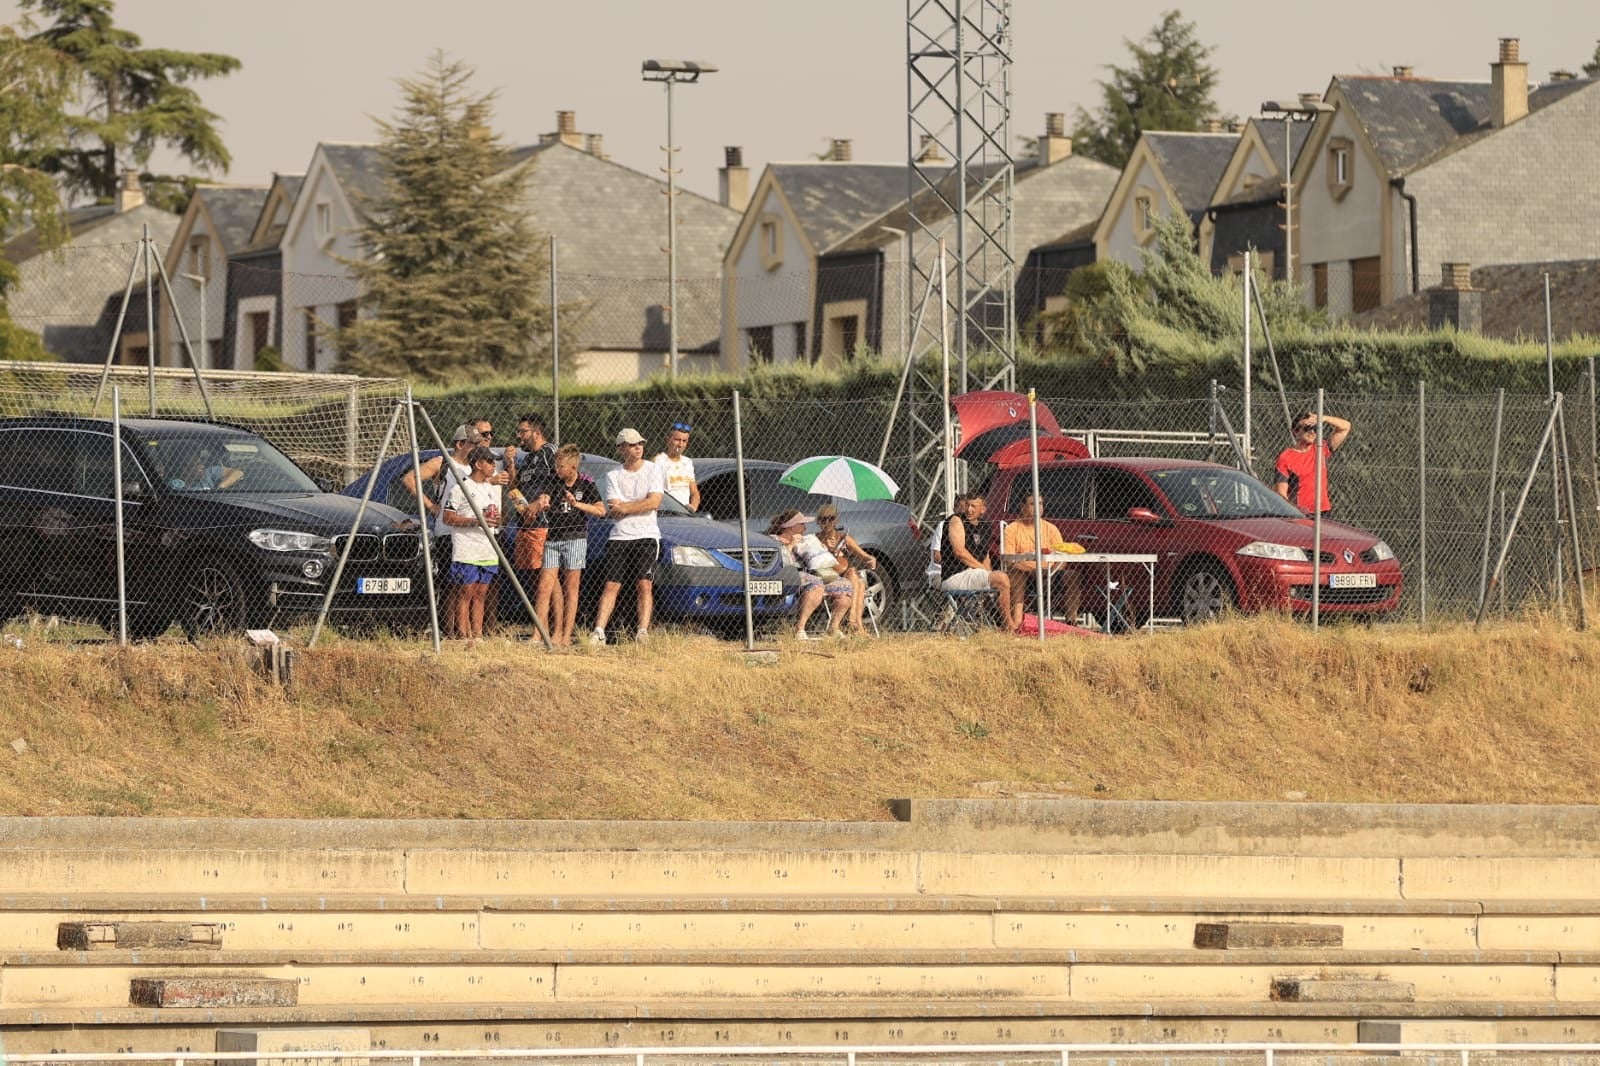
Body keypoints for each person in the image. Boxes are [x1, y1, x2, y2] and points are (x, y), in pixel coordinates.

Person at [403, 425, 480, 638]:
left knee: (467, 583)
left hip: (469, 531)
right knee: (450, 583)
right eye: (472, 444)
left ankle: (464, 629)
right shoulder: (442, 462)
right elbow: (410, 479)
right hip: (447, 530)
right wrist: (431, 506)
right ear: (460, 444)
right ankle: (448, 630)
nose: (476, 447)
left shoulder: (474, 467)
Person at [590, 428, 664, 646]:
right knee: (612, 585)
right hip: (620, 536)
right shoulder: (613, 475)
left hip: (647, 535)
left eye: (640, 443)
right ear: (621, 448)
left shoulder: (653, 470)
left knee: (644, 584)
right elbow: (614, 506)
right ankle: (599, 631)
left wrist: (627, 507)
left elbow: (654, 502)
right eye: (632, 444)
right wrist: (637, 505)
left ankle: (642, 631)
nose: (638, 447)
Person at [533, 444, 605, 646]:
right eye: (556, 465)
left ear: (573, 467)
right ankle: (538, 635)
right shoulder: (552, 480)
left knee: (571, 588)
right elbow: (543, 496)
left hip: (575, 538)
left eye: (561, 466)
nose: (557, 470)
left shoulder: (586, 483)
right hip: (553, 538)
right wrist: (543, 502)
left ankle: (564, 636)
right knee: (544, 586)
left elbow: (601, 510)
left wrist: (576, 504)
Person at [437, 445, 504, 648]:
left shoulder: (490, 489)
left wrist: (496, 520)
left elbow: (495, 518)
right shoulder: (460, 488)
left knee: (482, 592)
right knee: (466, 591)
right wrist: (476, 521)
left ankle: (478, 634)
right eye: (490, 462)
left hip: (487, 547)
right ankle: (463, 634)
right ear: (478, 464)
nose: (494, 466)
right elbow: (448, 517)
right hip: (467, 549)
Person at [509, 413, 559, 632]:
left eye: (523, 431)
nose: (519, 436)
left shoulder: (550, 452)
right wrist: (510, 463)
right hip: (525, 524)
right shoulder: (527, 459)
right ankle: (543, 628)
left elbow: (562, 479)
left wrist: (541, 501)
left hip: (544, 523)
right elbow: (513, 486)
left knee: (547, 578)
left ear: (536, 433)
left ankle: (554, 632)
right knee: (532, 577)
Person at [767, 509, 850, 640]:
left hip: (813, 572)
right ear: (793, 527)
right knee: (816, 585)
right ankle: (800, 628)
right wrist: (791, 544)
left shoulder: (806, 540)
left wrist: (822, 548)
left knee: (844, 587)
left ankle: (833, 628)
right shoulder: (774, 540)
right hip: (791, 574)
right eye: (802, 524)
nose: (805, 527)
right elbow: (781, 562)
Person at [1002, 492, 1082, 627]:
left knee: (1072, 576)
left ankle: (1071, 622)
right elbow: (1009, 560)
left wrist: (1050, 571)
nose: (1038, 508)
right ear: (1022, 507)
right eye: (1033, 504)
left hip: (1049, 573)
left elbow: (1062, 557)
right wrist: (1032, 569)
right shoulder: (1012, 529)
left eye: (1040, 504)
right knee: (1016, 575)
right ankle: (1016, 623)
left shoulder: (1051, 528)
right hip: (1024, 573)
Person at [940, 492, 1016, 630]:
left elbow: (985, 556)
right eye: (968, 505)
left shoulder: (985, 526)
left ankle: (986, 623)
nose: (969, 509)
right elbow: (960, 552)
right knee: (1002, 579)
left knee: (1000, 579)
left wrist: (989, 573)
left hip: (973, 573)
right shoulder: (956, 521)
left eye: (974, 506)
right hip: (955, 575)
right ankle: (1008, 626)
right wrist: (984, 571)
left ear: (983, 509)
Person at [814, 502, 876, 634]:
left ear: (836, 520)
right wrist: (827, 550)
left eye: (830, 518)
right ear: (818, 521)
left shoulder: (843, 538)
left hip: (845, 576)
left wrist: (871, 560)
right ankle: (855, 624)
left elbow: (864, 555)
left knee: (855, 578)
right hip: (827, 577)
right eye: (823, 519)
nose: (827, 522)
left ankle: (854, 622)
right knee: (858, 584)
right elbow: (813, 562)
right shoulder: (815, 539)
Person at [1275, 411, 1352, 516]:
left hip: (1324, 512)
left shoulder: (1321, 449)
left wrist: (1323, 418)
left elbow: (1345, 427)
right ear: (1295, 432)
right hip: (1301, 513)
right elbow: (1281, 494)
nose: (1312, 432)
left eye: (1315, 428)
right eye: (1307, 428)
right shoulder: (1286, 457)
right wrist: (1292, 514)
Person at [653, 420, 700, 511]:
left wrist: (693, 507)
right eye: (677, 440)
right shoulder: (658, 461)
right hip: (666, 512)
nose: (680, 444)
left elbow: (695, 493)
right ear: (668, 439)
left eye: (684, 441)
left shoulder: (687, 462)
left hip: (685, 513)